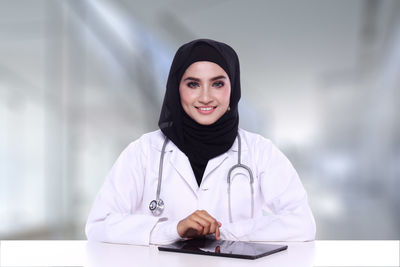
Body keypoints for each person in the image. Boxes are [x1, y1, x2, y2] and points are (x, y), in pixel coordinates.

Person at [85, 39, 316, 245]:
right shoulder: (143, 152)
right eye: (193, 84)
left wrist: (222, 232)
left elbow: (301, 223)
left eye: (217, 84)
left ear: (233, 89)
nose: (205, 97)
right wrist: (173, 230)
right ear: (176, 89)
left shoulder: (260, 152)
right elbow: (99, 224)